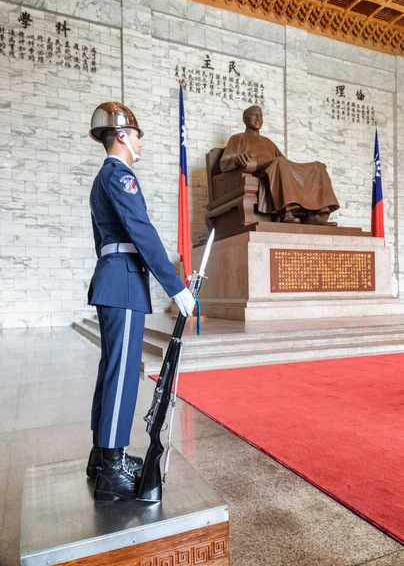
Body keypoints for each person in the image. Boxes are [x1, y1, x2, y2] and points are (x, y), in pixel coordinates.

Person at [86, 102, 195, 503]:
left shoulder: (107, 177)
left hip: (116, 280)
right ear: (120, 137)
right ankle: (112, 469)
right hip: (124, 282)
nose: (139, 142)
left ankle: (102, 456)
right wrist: (175, 285)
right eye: (136, 134)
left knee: (112, 369)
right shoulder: (120, 176)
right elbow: (141, 231)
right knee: (124, 373)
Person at [220, 105, 339, 225]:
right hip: (257, 168)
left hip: (275, 167)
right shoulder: (237, 138)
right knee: (279, 163)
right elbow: (224, 162)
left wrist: (307, 170)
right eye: (255, 115)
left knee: (317, 167)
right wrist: (236, 159)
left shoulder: (268, 142)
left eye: (261, 116)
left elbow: (287, 164)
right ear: (245, 119)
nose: (259, 118)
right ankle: (286, 212)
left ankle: (316, 215)